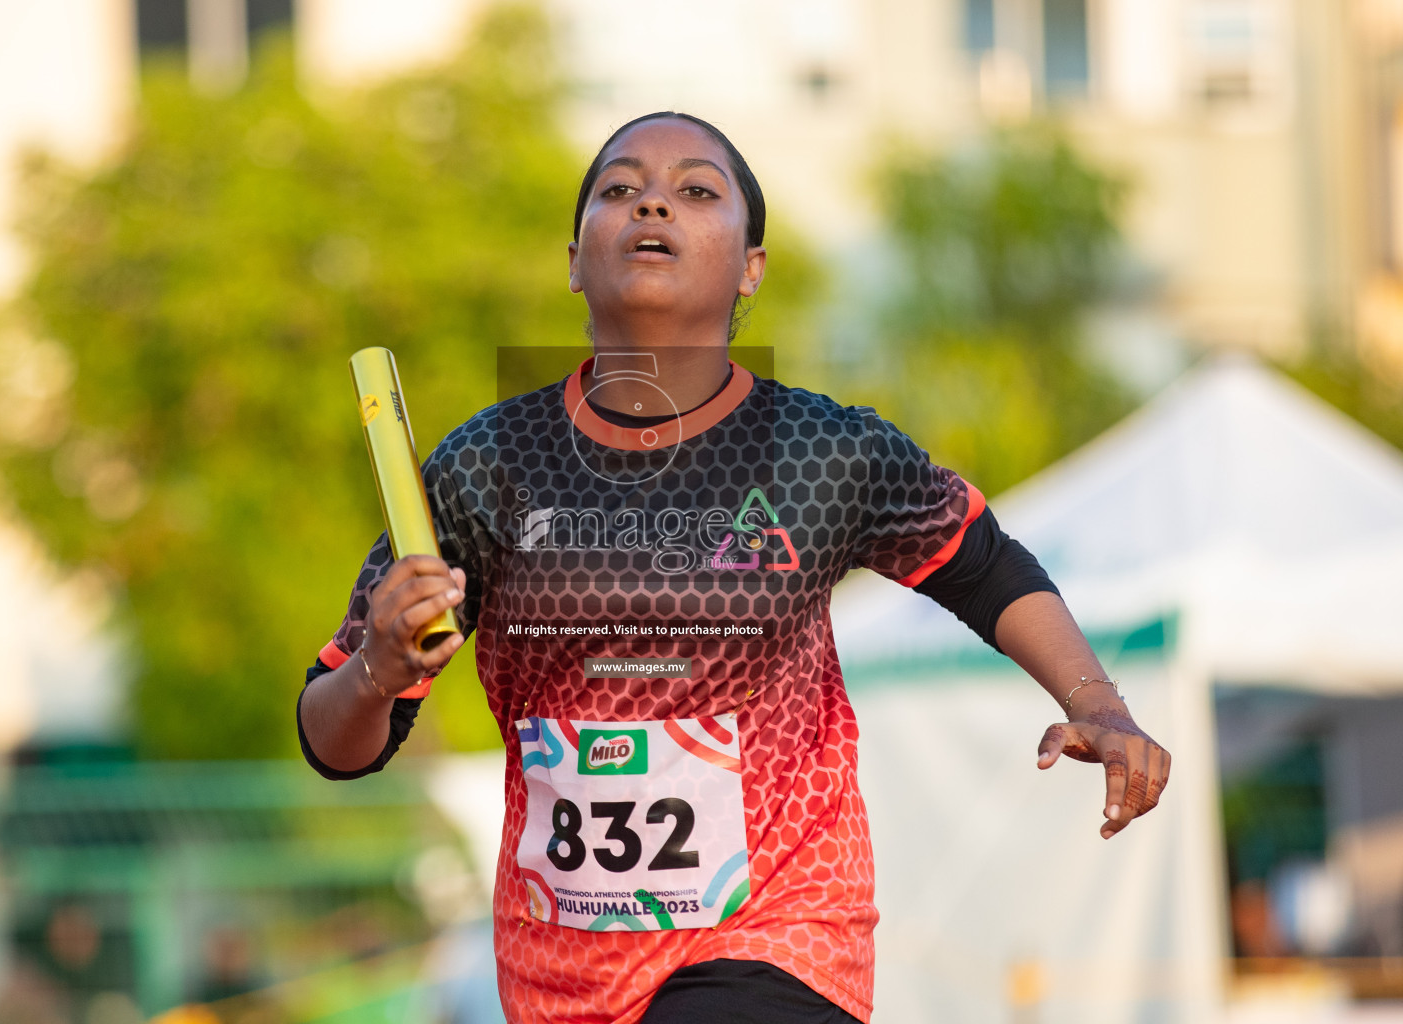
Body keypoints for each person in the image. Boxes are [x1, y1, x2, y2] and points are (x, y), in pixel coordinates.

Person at [297, 112, 1172, 1024]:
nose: (653, 204)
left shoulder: (822, 452)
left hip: (779, 933)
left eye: (696, 191)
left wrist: (1097, 705)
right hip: (560, 971)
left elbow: (984, 565)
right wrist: (378, 672)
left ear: (751, 265)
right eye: (620, 188)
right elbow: (334, 740)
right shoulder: (486, 467)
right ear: (573, 260)